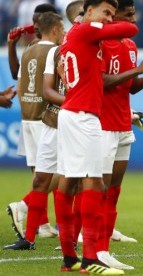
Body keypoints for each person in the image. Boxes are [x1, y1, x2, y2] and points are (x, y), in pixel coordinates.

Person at [54, 0, 138, 274]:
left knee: (68, 183)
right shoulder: (86, 31)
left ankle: (69, 257)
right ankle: (90, 259)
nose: (110, 18)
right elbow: (130, 29)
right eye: (106, 12)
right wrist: (110, 23)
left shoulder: (74, 36)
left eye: (112, 14)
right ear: (89, 11)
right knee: (94, 184)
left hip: (70, 112)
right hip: (84, 116)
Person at [96, 0, 143, 269]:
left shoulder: (129, 46)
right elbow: (101, 81)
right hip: (102, 125)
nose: (133, 21)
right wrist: (136, 70)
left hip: (123, 125)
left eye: (134, 16)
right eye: (128, 16)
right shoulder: (101, 44)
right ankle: (95, 249)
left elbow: (129, 87)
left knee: (114, 190)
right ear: (113, 16)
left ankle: (104, 249)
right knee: (100, 189)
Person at [7, 9, 62, 242]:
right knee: (63, 173)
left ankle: (36, 229)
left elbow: (20, 86)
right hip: (45, 120)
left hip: (28, 119)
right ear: (56, 29)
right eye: (63, 29)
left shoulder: (28, 50)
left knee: (40, 176)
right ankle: (25, 204)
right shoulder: (56, 52)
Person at [7, 3, 57, 80]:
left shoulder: (61, 45)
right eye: (34, 22)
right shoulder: (32, 46)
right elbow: (16, 75)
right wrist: (11, 45)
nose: (35, 26)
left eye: (39, 22)